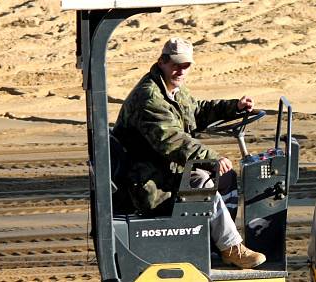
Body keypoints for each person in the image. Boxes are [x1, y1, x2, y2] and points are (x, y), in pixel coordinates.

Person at [111, 37, 265, 269]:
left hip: (163, 170)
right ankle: (230, 247)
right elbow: (172, 141)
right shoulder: (149, 97)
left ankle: (215, 243)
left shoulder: (172, 89)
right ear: (162, 61)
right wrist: (211, 157)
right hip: (148, 183)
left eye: (186, 66)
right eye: (176, 64)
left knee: (227, 177)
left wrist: (234, 107)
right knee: (203, 181)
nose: (181, 70)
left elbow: (197, 111)